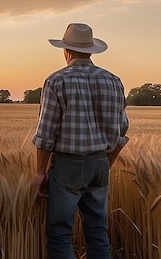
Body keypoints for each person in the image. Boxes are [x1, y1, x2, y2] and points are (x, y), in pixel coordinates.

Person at [32, 23, 129, 259]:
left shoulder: (56, 80)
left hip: (68, 165)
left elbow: (46, 133)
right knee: (97, 232)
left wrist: (40, 172)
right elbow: (123, 130)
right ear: (91, 50)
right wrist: (104, 163)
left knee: (59, 234)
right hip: (100, 163)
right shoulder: (113, 80)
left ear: (66, 51)